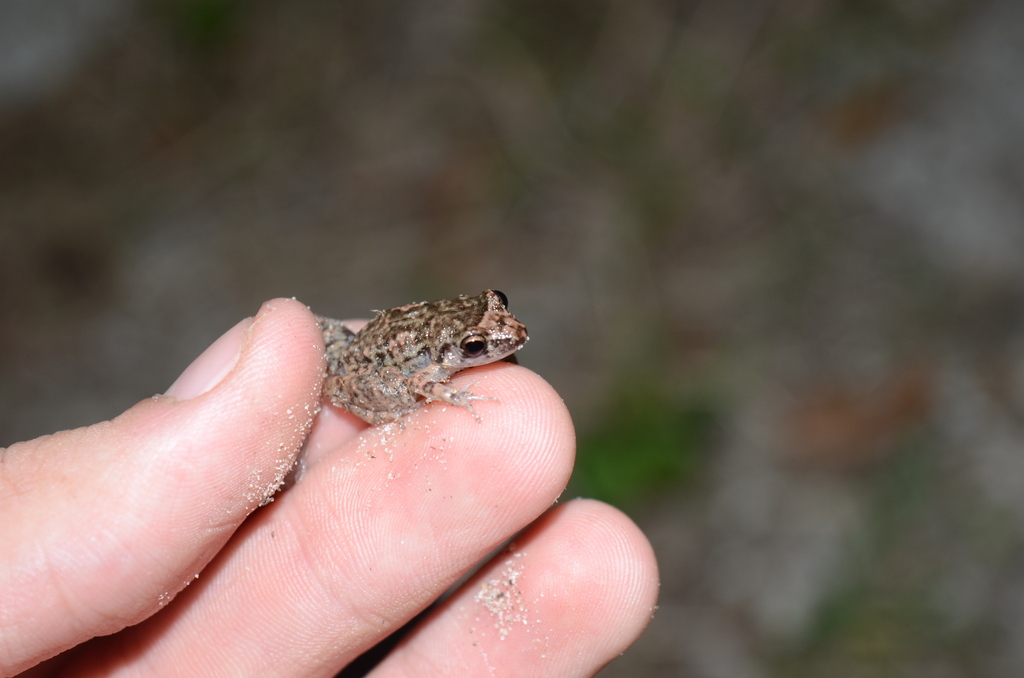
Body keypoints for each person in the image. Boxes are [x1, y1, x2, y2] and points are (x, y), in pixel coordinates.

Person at [1, 299, 658, 676]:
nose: (508, 341)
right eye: (482, 345)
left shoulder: (453, 333)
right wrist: (424, 391)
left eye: (495, 327)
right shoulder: (423, 361)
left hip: (371, 347)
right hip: (365, 368)